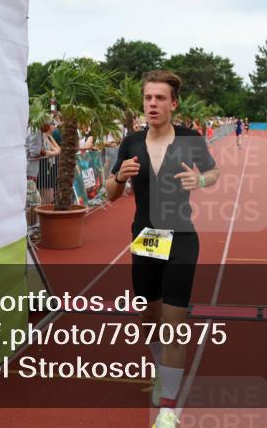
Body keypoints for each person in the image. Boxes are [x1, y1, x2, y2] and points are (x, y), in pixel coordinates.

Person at [105, 70, 219, 428]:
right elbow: (110, 193)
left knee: (173, 323)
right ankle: (163, 370)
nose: (152, 104)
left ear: (174, 103)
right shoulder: (131, 143)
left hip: (181, 238)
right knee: (149, 316)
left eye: (159, 98)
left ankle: (168, 408)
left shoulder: (190, 139)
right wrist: (119, 177)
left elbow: (213, 172)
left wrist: (200, 179)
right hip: (145, 239)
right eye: (148, 98)